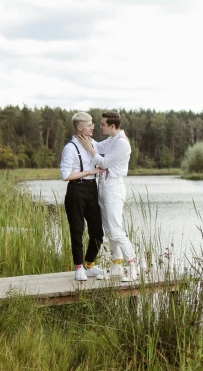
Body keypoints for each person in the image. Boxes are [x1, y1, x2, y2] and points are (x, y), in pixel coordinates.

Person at [78, 111, 138, 282]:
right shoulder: (112, 140)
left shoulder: (122, 143)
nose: (100, 126)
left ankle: (133, 267)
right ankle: (116, 266)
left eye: (103, 124)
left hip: (114, 188)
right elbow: (98, 147)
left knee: (116, 230)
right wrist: (85, 136)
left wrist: (89, 148)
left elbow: (103, 162)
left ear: (112, 126)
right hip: (103, 186)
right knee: (109, 231)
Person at [59, 112, 106, 281]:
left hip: (92, 189)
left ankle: (90, 264)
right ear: (80, 128)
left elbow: (107, 151)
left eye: (93, 124)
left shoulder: (93, 143)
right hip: (76, 191)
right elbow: (66, 175)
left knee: (98, 232)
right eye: (89, 124)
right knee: (77, 230)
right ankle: (79, 268)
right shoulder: (69, 148)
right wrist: (89, 172)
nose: (93, 127)